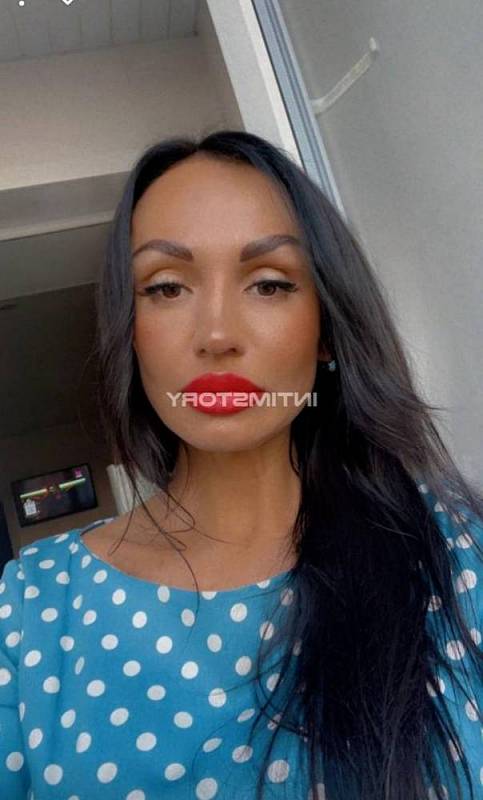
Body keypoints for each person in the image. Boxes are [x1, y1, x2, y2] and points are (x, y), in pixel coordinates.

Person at [0, 129, 481, 800]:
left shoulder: (456, 550)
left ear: (326, 332)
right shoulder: (32, 607)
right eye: (167, 287)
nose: (217, 334)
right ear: (129, 331)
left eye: (269, 283)